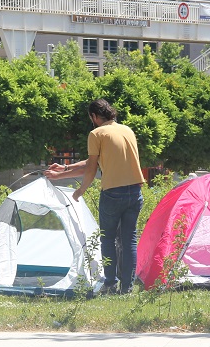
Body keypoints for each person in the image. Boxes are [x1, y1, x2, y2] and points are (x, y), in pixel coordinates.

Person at [45, 99, 144, 295]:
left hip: (113, 193)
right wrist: (65, 168)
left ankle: (110, 283)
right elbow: (96, 160)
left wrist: (80, 190)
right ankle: (127, 287)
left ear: (94, 116)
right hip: (135, 191)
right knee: (129, 240)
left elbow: (91, 167)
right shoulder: (127, 130)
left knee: (107, 239)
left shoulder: (96, 133)